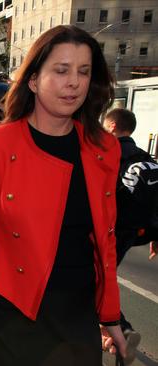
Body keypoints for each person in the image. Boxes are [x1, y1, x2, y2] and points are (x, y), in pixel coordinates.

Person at [0, 25, 127, 366]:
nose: (73, 82)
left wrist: (111, 316)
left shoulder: (104, 148)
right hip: (13, 309)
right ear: (33, 80)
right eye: (61, 71)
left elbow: (105, 242)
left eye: (83, 72)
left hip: (78, 309)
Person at [102, 108, 149, 364]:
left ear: (111, 126)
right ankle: (114, 334)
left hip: (111, 231)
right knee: (101, 281)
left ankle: (122, 331)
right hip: (134, 232)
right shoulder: (143, 157)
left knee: (94, 283)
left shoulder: (110, 154)